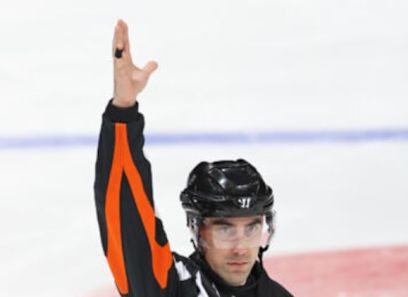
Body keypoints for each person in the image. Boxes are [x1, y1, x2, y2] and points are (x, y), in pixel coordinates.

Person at [94, 19, 293, 297]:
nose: (240, 247)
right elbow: (126, 215)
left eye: (251, 228)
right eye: (225, 230)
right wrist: (123, 111)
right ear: (198, 232)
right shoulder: (173, 286)